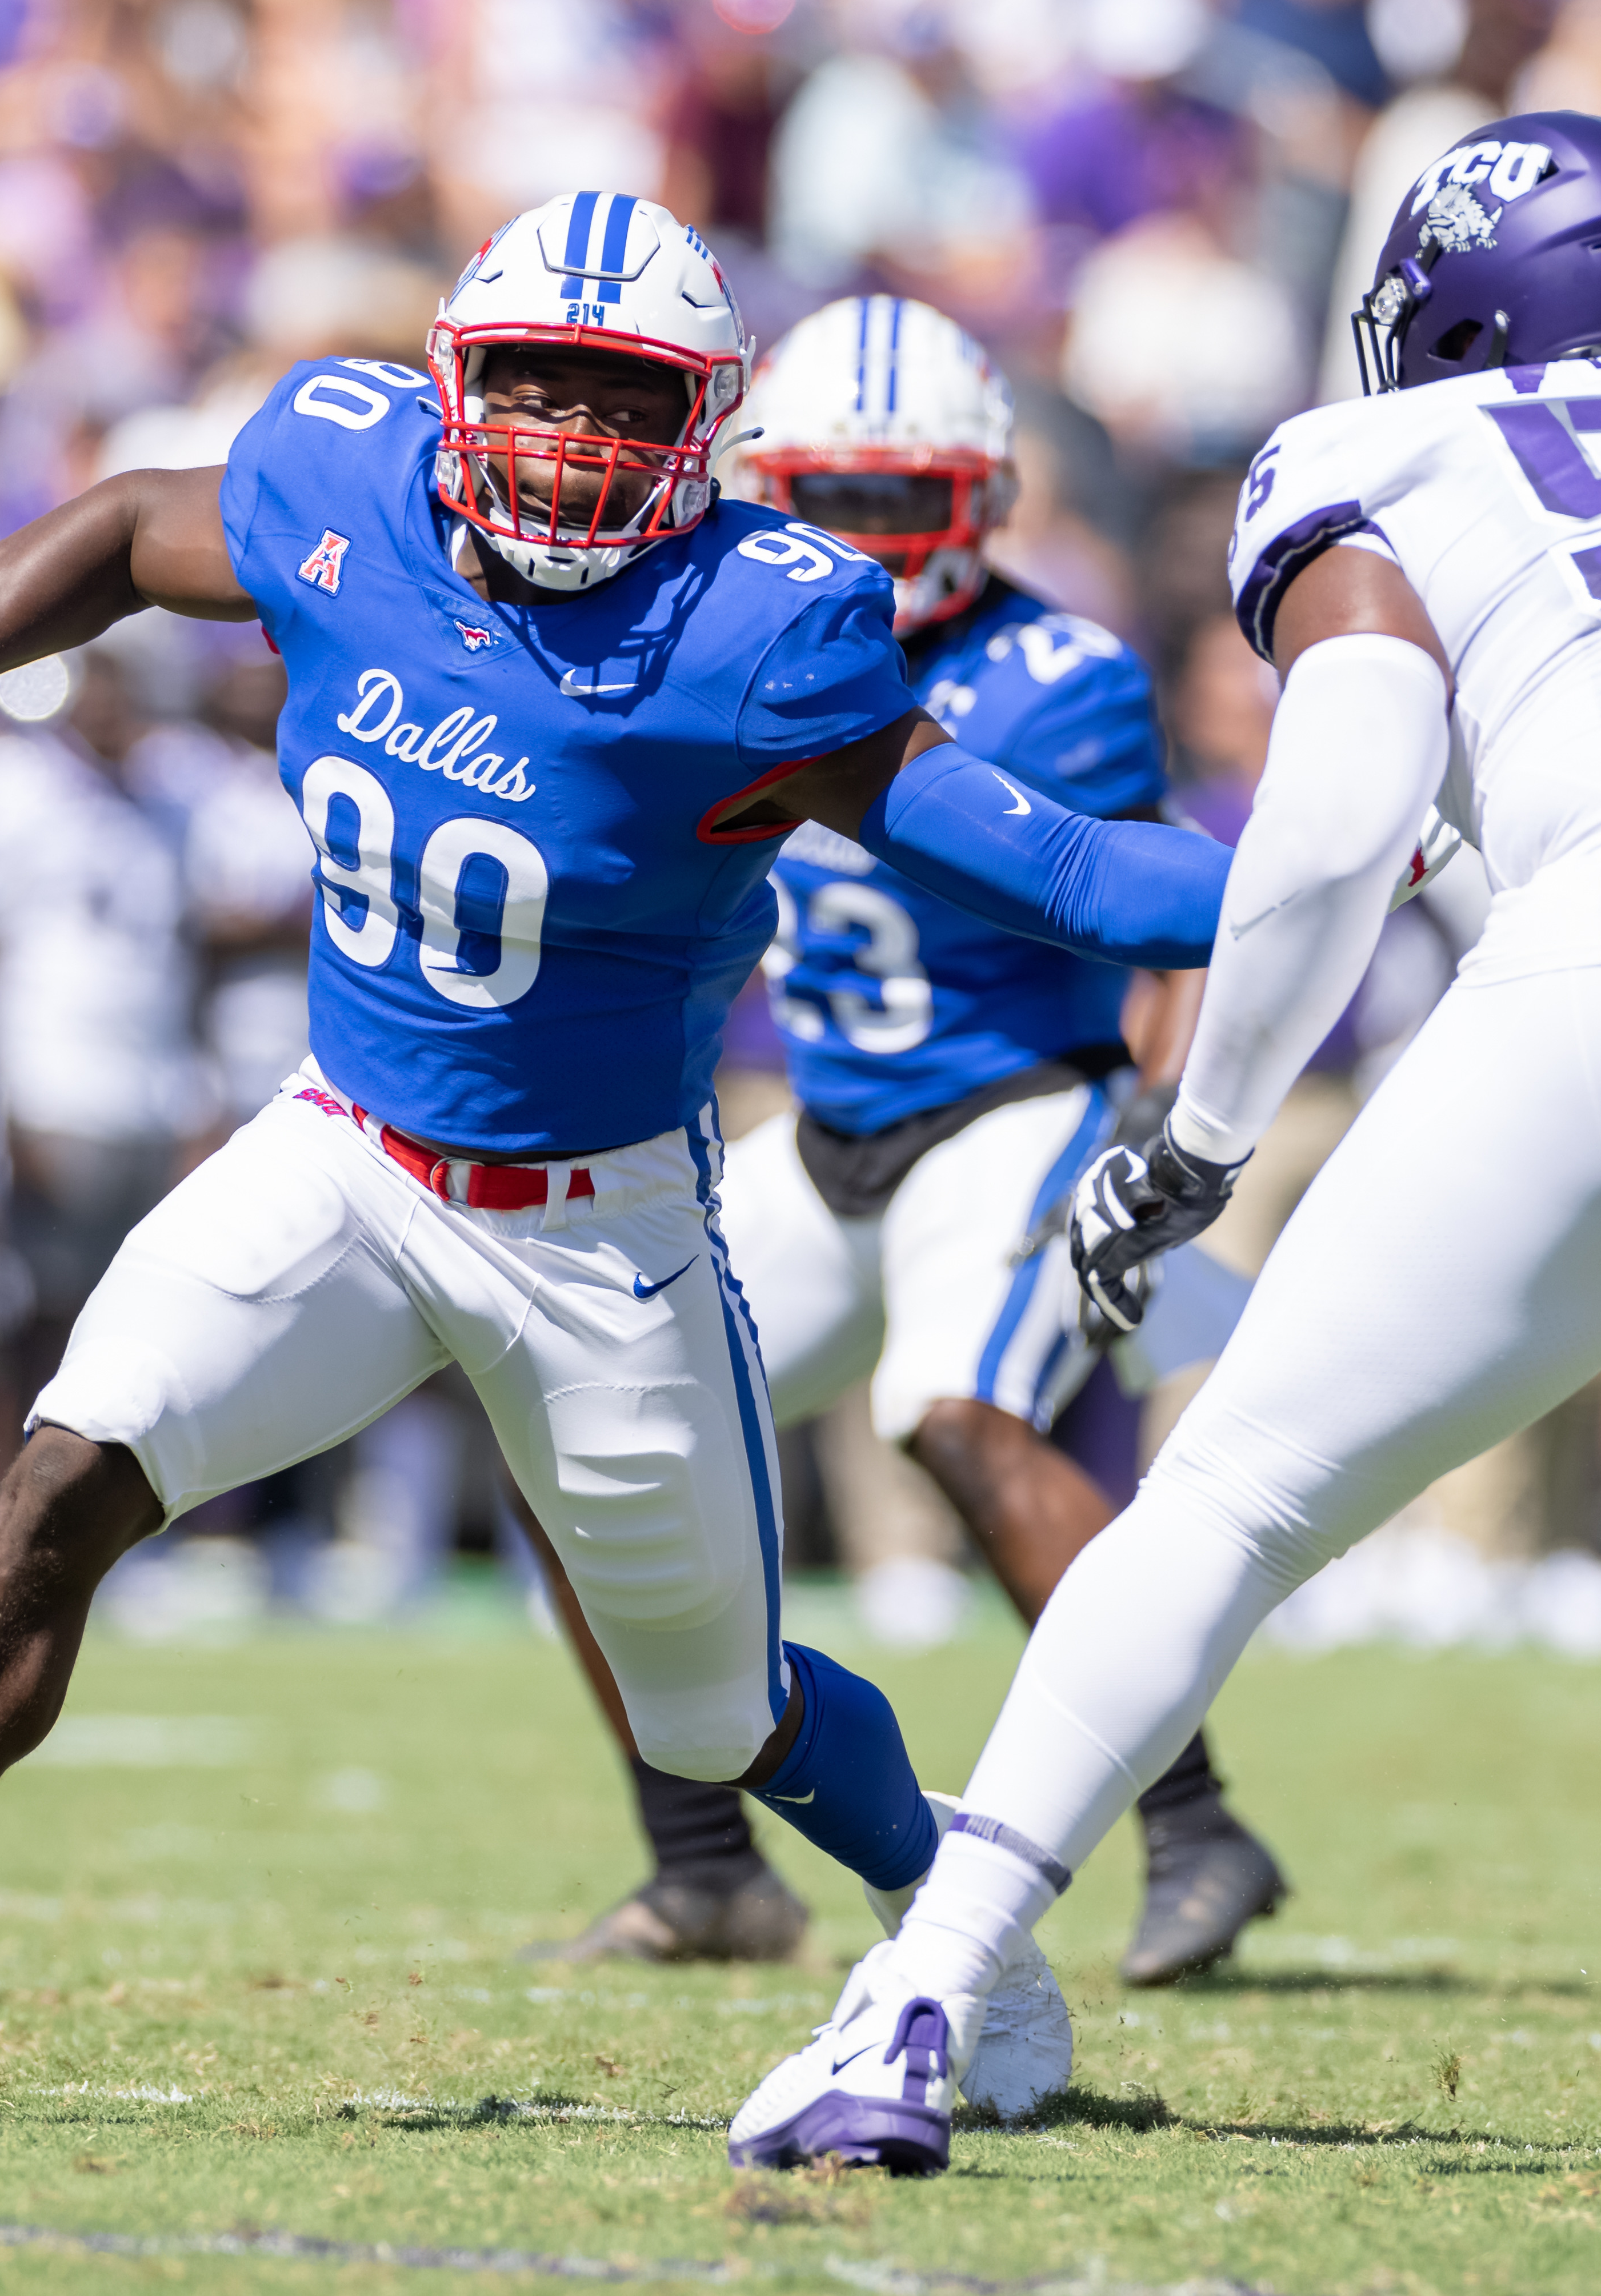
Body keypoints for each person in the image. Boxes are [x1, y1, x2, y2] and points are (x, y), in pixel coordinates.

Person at [0, 192, 1232, 2119]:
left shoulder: (758, 629)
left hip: (597, 1233)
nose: (565, 433)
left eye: (620, 399)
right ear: (453, 380)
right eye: (534, 382)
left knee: (720, 1715)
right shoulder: (344, 472)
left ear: (703, 424)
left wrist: (1359, 857)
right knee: (60, 1481)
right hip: (345, 1156)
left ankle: (950, 1918)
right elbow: (140, 520)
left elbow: (1058, 866)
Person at [730, 115, 1601, 2202]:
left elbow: (1333, 821)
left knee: (1225, 1500)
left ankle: (921, 2000)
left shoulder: (1387, 458)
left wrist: (1204, 1134)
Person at [544, 292, 1288, 1986]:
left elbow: (1106, 890)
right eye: (828, 498)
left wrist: (1157, 1111)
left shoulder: (1055, 677)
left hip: (1007, 1106)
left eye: (901, 502)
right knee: (563, 1394)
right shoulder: (703, 633)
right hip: (830, 1131)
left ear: (983, 503)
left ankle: (1197, 1826)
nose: (862, 540)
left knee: (957, 1424)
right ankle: (707, 1865)